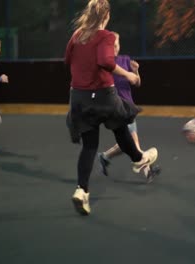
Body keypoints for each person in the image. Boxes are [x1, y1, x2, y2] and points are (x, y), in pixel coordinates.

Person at [65, 0, 158, 215]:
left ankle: (81, 190)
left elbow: (67, 60)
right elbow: (106, 61)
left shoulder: (77, 34)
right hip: (103, 95)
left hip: (78, 97)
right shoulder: (105, 36)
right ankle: (139, 159)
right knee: (121, 127)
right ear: (105, 15)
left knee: (89, 147)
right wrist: (128, 75)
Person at [98, 32, 148, 176]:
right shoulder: (105, 64)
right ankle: (147, 170)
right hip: (117, 109)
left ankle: (105, 156)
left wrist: (136, 71)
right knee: (133, 142)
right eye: (112, 45)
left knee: (126, 143)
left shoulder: (125, 60)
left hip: (129, 107)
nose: (115, 47)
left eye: (117, 45)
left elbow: (137, 83)